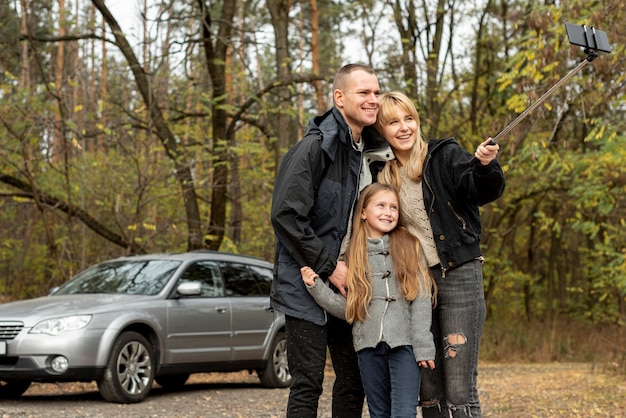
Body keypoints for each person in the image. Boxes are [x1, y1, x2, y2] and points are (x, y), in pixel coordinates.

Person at [373, 91, 505, 418]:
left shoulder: (443, 156)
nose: (404, 128)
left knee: (459, 390)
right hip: (417, 284)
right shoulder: (383, 175)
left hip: (459, 275)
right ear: (382, 130)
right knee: (428, 390)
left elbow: (479, 188)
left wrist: (485, 165)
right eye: (393, 122)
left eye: (409, 118)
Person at [270, 64, 391, 418]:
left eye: (376, 92)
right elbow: (286, 216)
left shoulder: (370, 153)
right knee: (307, 384)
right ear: (339, 97)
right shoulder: (314, 148)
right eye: (363, 92)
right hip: (305, 280)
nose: (373, 100)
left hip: (347, 283)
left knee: (354, 379)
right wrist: (329, 267)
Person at [300, 182, 437, 418]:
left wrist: (424, 346)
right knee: (378, 413)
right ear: (363, 212)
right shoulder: (353, 254)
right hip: (368, 348)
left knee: (404, 413)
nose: (388, 212)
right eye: (381, 205)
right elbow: (348, 309)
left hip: (404, 346)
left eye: (394, 207)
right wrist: (317, 288)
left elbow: (422, 297)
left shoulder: (409, 246)